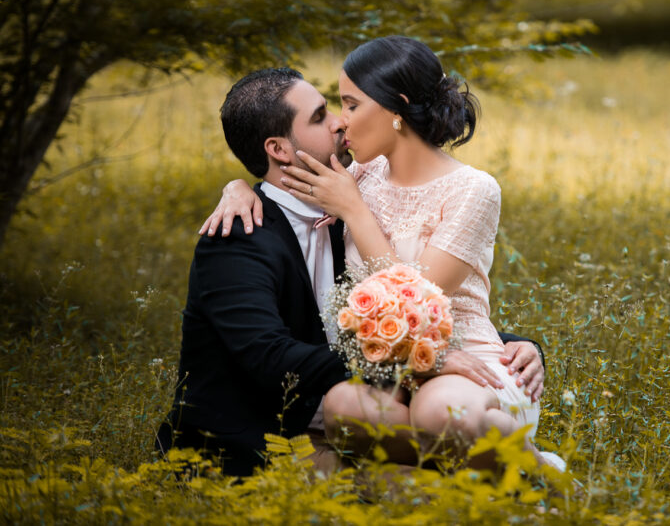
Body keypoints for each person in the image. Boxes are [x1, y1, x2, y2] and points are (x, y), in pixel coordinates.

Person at [158, 66, 545, 476]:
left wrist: (514, 346)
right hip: (266, 438)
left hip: (351, 418)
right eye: (320, 116)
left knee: (418, 462)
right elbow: (269, 356)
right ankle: (535, 476)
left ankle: (509, 473)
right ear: (279, 150)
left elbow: (405, 289)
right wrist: (419, 360)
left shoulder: (349, 213)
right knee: (412, 489)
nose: (340, 122)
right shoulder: (237, 237)